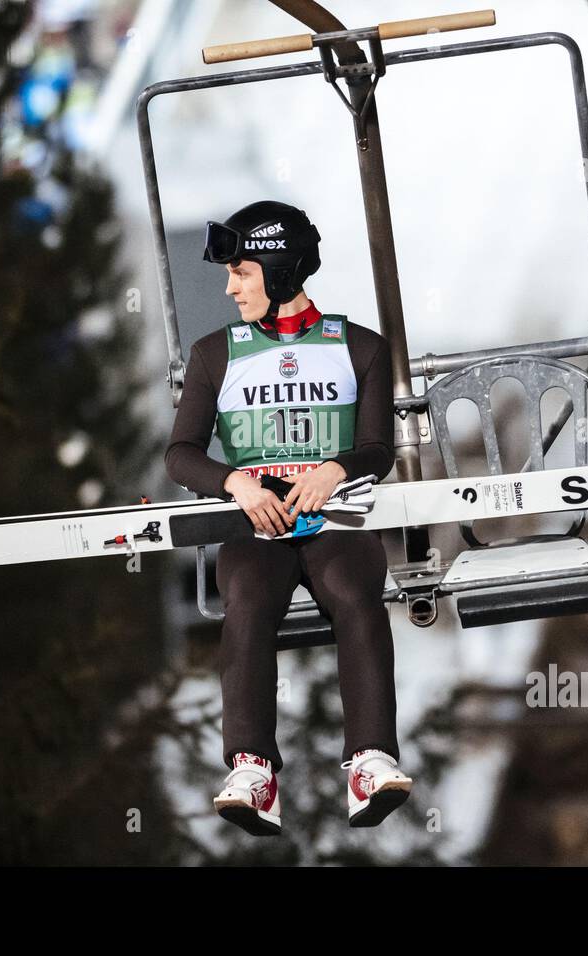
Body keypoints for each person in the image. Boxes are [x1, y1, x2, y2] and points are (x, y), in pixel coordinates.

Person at [164, 200, 413, 836]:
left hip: (334, 516)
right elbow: (179, 454)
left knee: (355, 593)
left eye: (240, 272)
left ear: (276, 271)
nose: (229, 287)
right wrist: (234, 483)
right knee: (246, 596)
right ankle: (252, 770)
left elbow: (378, 449)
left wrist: (340, 466)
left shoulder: (359, 346)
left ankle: (371, 760)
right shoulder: (213, 353)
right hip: (259, 522)